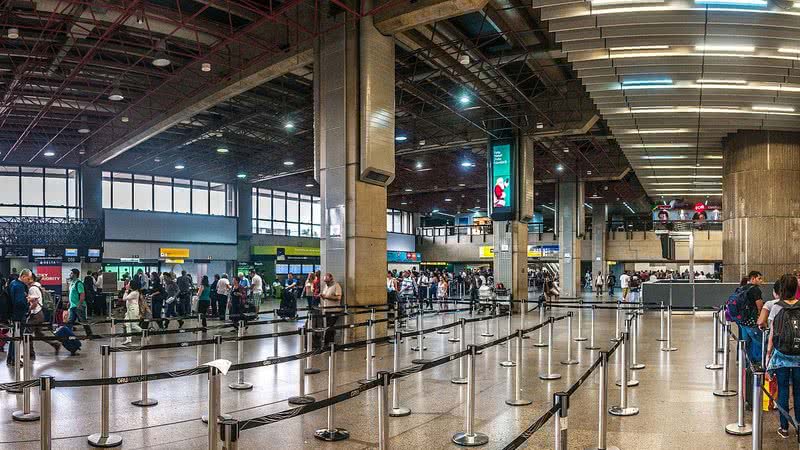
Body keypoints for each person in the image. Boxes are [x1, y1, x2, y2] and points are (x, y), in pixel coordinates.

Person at [766, 274, 800, 438]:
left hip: (782, 356)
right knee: (799, 392)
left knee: (783, 391)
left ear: (781, 289)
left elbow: (772, 335)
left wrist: (768, 356)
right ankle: (799, 426)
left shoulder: (776, 307)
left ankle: (784, 427)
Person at [26, 274, 60, 357]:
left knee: (27, 333)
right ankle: (55, 344)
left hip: (35, 314)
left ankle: (31, 353)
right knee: (39, 334)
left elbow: (34, 303)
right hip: (40, 314)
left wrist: (27, 311)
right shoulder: (38, 287)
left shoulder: (32, 288)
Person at [6, 269, 30, 365]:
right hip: (19, 315)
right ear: (23, 276)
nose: (29, 281)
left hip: (13, 314)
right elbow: (20, 302)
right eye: (28, 278)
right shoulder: (20, 286)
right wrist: (27, 301)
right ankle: (15, 359)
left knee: (14, 337)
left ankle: (11, 358)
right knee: (17, 337)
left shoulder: (13, 283)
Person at [67, 269, 92, 337]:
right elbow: (71, 294)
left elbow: (82, 294)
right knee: (70, 321)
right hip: (73, 306)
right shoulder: (72, 283)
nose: (70, 275)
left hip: (78, 306)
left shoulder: (79, 283)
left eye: (71, 273)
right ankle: (66, 334)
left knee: (83, 321)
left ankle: (89, 334)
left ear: (75, 274)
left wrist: (79, 304)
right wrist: (69, 302)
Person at [319, 273, 343, 345]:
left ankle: (325, 343)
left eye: (327, 281)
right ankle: (331, 342)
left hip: (334, 310)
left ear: (331, 279)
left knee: (329, 327)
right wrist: (322, 296)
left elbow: (338, 298)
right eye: (325, 281)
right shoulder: (326, 287)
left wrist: (326, 297)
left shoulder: (336, 286)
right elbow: (325, 297)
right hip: (327, 310)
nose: (326, 282)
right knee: (330, 327)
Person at [121, 278, 143, 345]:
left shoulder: (134, 293)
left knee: (133, 325)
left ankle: (145, 333)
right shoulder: (133, 292)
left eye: (129, 284)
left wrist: (126, 290)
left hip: (133, 310)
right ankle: (128, 339)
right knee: (127, 324)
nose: (127, 285)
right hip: (129, 310)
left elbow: (124, 298)